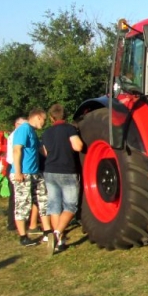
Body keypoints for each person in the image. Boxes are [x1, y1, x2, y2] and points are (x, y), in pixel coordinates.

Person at [41, 104, 83, 254]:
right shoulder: (69, 129)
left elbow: (45, 152)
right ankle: (57, 233)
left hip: (50, 172)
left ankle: (60, 241)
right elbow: (78, 146)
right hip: (67, 171)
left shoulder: (46, 133)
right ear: (65, 116)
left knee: (54, 205)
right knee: (71, 206)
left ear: (51, 118)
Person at [11, 108, 49, 247]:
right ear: (38, 117)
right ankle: (23, 236)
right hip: (23, 173)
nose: (44, 123)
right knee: (23, 203)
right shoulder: (24, 129)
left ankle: (47, 231)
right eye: (44, 120)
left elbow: (41, 150)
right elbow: (17, 150)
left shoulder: (33, 132)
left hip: (35, 172)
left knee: (43, 199)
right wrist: (18, 172)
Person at [4, 117, 26, 231]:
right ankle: (12, 223)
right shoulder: (16, 136)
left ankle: (14, 221)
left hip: (13, 166)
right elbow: (17, 152)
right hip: (14, 167)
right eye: (22, 125)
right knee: (15, 196)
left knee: (16, 196)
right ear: (16, 124)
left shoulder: (15, 134)